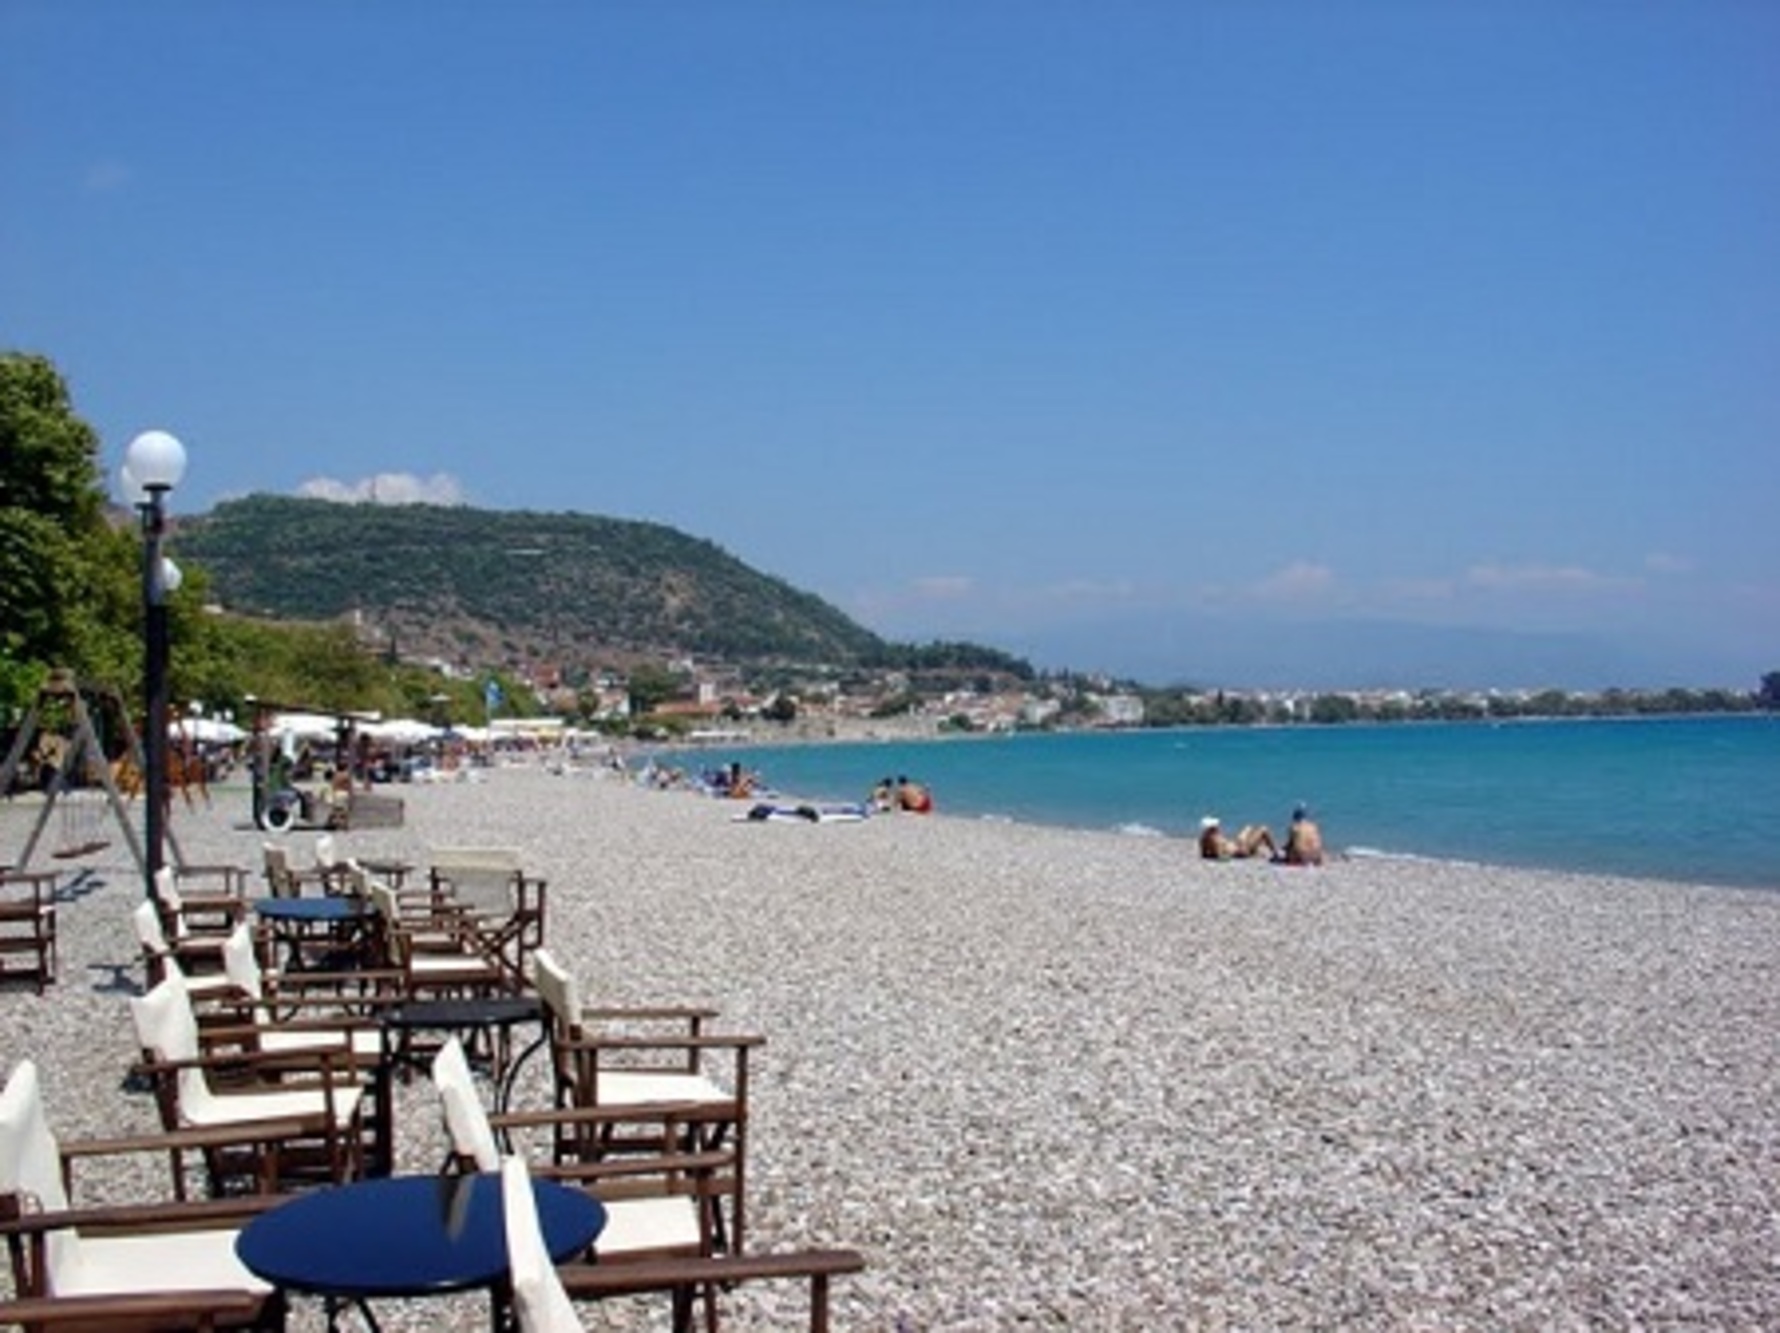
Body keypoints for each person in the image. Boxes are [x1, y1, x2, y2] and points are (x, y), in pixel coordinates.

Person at [1197, 814, 1277, 860]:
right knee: (1264, 829)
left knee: (1248, 827)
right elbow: (1221, 856)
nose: (1218, 827)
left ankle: (1255, 851)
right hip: (1241, 850)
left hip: (1237, 845)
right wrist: (1229, 853)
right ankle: (1275, 853)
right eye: (1216, 826)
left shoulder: (1204, 838)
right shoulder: (1215, 839)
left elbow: (1204, 854)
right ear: (1212, 828)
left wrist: (1214, 854)